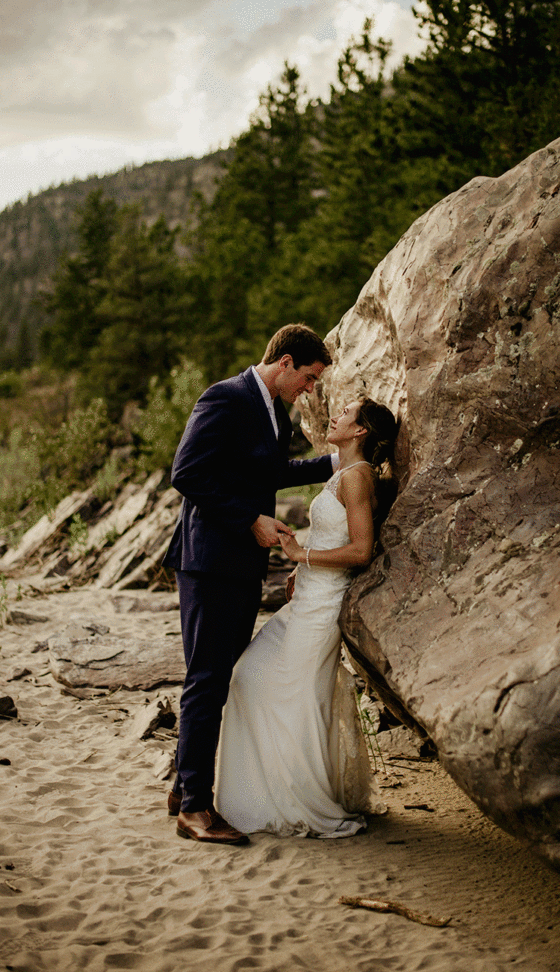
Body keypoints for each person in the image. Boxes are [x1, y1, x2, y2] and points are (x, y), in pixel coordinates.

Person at [162, 324, 337, 845]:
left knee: (219, 675)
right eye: (308, 378)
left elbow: (269, 472)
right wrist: (249, 521)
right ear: (284, 363)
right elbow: (186, 472)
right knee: (207, 679)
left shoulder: (271, 412)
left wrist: (335, 463)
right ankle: (194, 808)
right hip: (209, 561)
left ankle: (181, 783)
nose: (310, 389)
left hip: (239, 565)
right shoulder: (225, 397)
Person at [214, 396, 399, 839]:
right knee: (249, 676)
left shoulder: (357, 478)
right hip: (306, 599)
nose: (334, 415)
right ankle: (266, 793)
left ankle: (300, 800)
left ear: (359, 432)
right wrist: (301, 567)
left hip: (322, 608)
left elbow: (360, 550)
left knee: (293, 697)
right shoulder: (344, 472)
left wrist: (303, 554)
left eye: (345, 414)